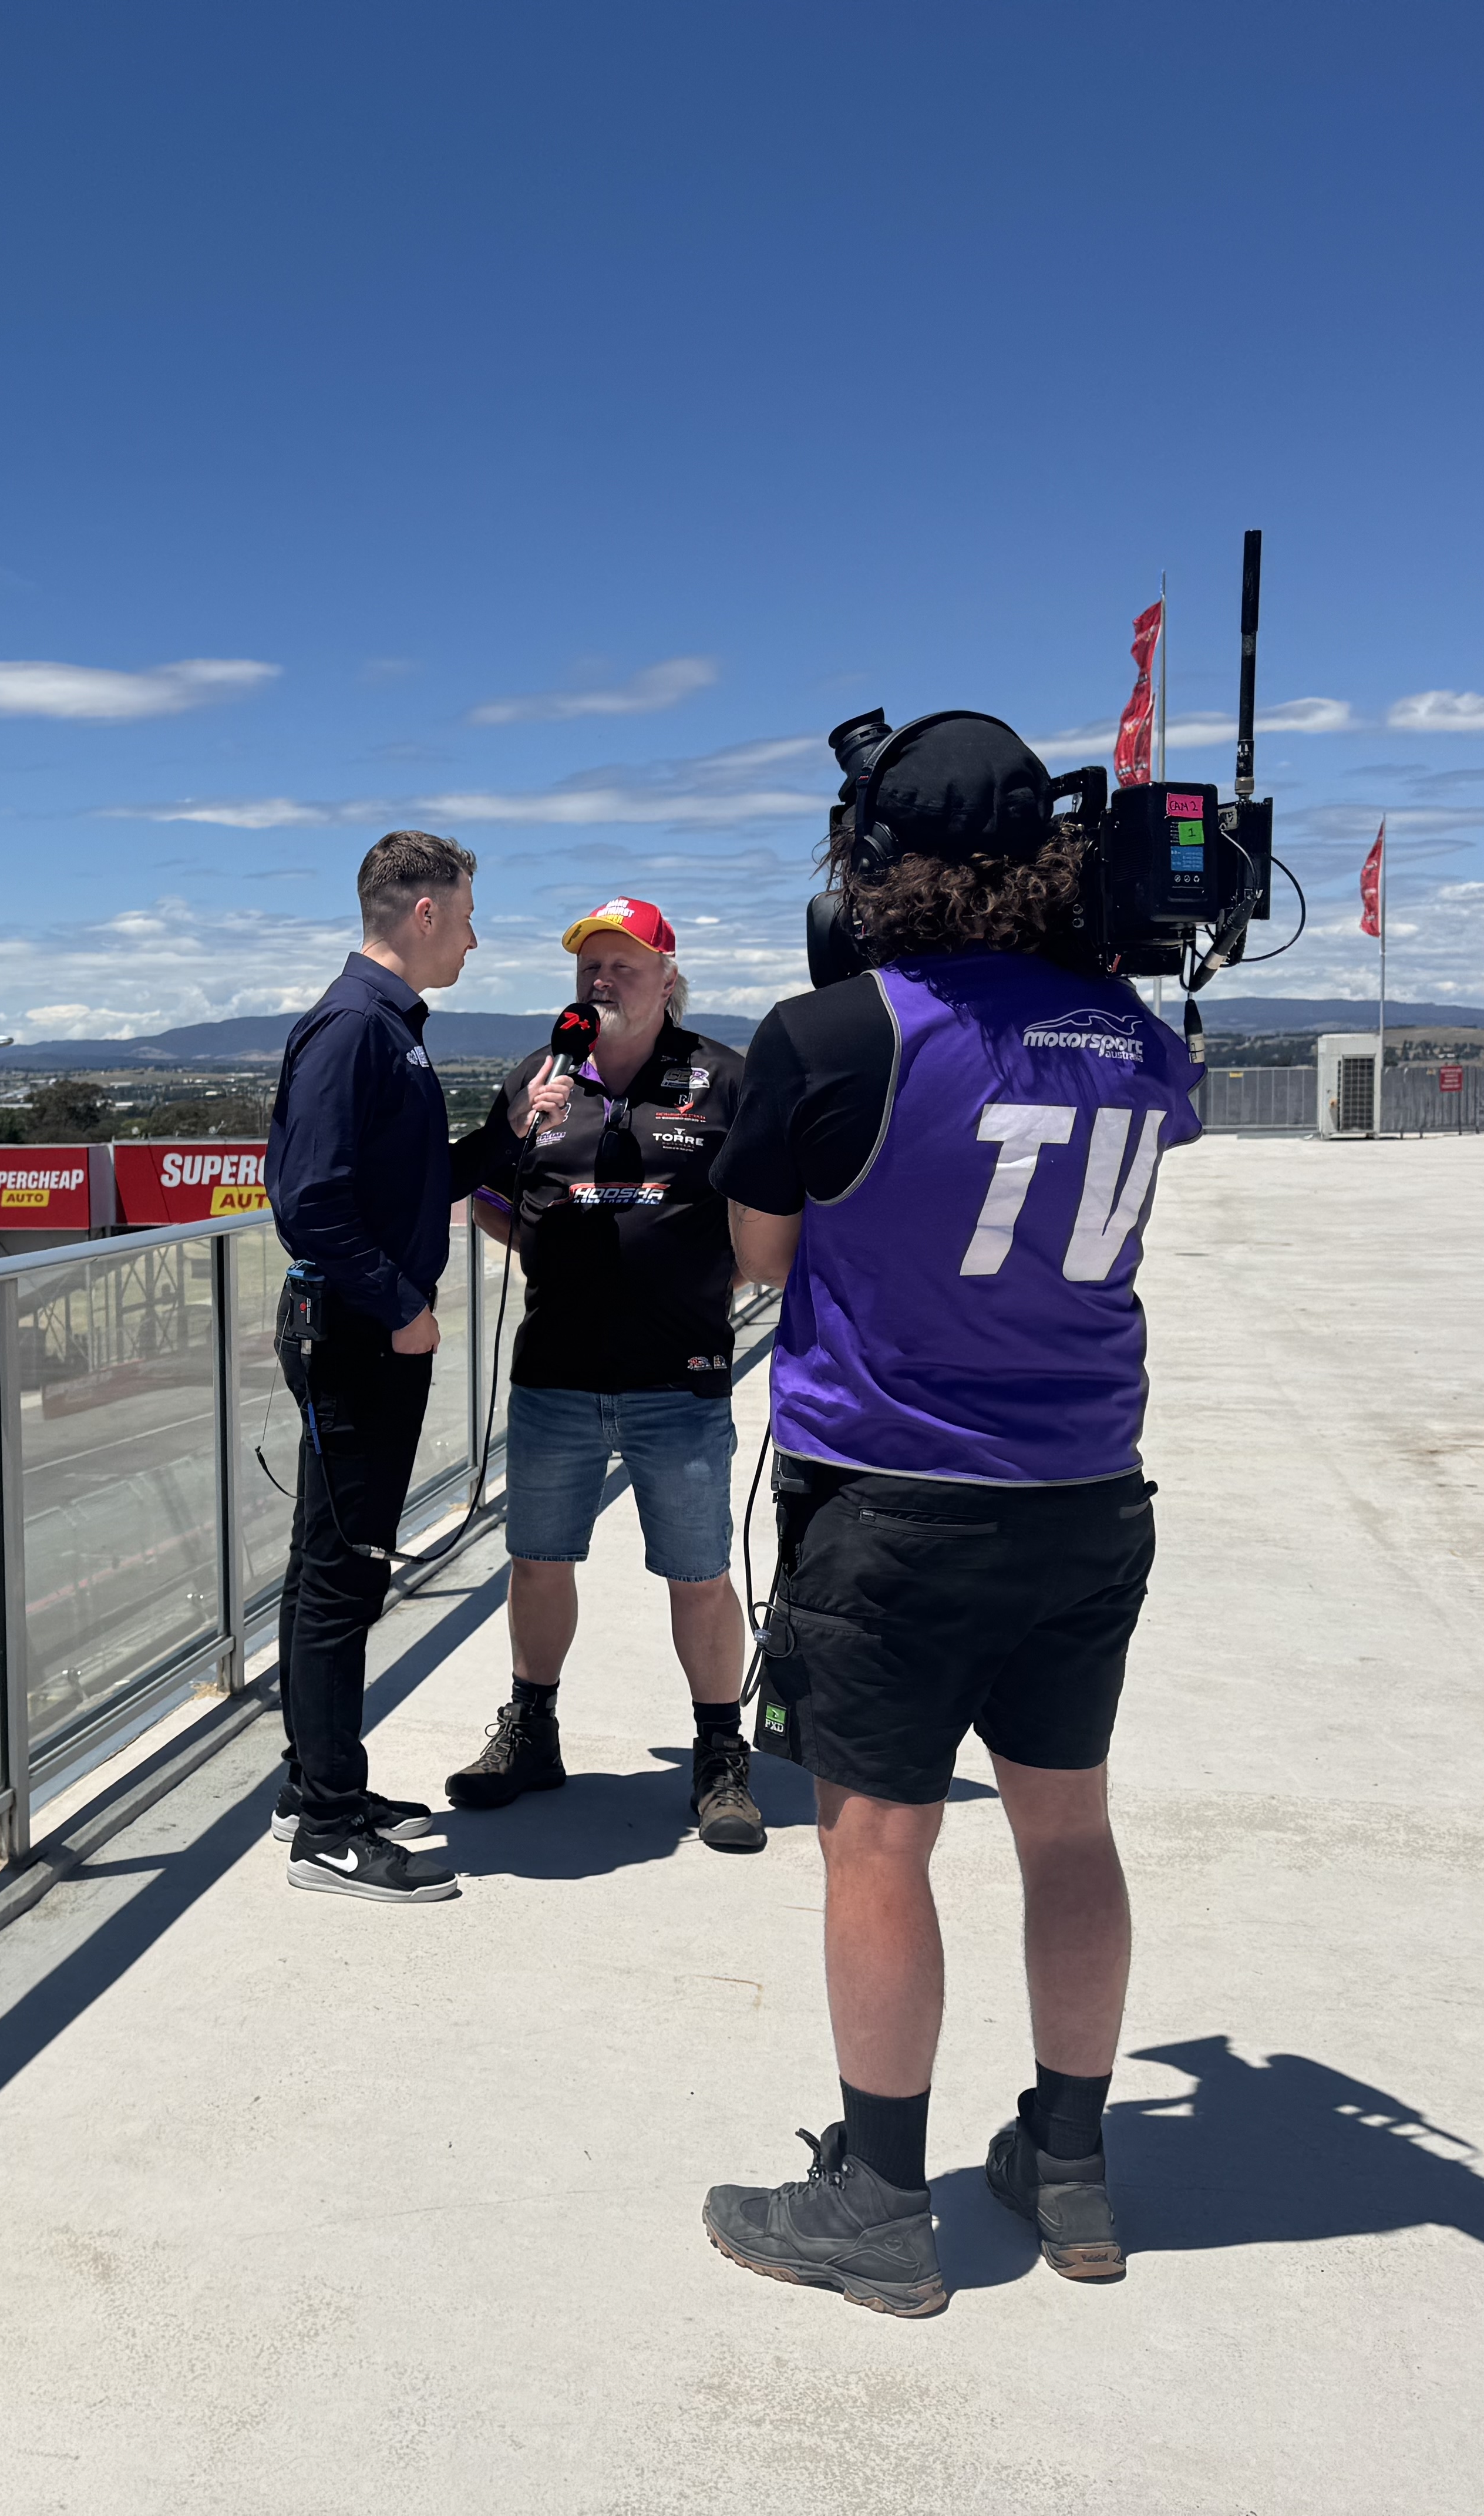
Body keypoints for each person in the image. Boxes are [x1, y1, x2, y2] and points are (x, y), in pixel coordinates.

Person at [696, 711, 1201, 2313]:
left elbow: (765, 1257)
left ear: (872, 861)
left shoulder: (836, 1031)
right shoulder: (1131, 1028)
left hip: (897, 1498)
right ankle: (1068, 2160)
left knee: (878, 1841)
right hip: (1084, 1492)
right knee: (1069, 1828)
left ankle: (876, 2197)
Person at [445, 896, 766, 1851]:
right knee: (539, 1558)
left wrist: (704, 1275)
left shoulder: (723, 1080)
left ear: (667, 976)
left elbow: (764, 1219)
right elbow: (495, 1199)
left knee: (698, 1572)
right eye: (589, 962)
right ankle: (531, 1728)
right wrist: (546, 1243)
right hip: (556, 1372)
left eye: (623, 962)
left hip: (683, 1376)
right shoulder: (538, 1080)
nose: (601, 977)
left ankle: (718, 1754)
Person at [264, 829, 520, 1905]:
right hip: (359, 1339)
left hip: (368, 1333)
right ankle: (326, 1826)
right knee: (342, 1577)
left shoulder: (389, 1032)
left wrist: (510, 1132)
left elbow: (413, 1188)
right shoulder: (355, 1029)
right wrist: (404, 1304)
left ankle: (312, 1784)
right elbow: (308, 1202)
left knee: (332, 1564)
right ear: (422, 913)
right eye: (465, 913)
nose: (471, 934)